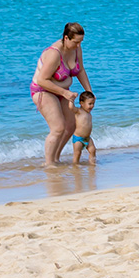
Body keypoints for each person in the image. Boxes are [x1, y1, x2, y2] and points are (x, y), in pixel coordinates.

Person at [30, 22, 91, 169]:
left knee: (70, 126)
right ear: (66, 38)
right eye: (76, 42)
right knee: (58, 128)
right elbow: (42, 80)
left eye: (81, 42)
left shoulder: (76, 48)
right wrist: (65, 92)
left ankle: (55, 158)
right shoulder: (53, 54)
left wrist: (89, 92)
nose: (78, 45)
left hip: (62, 90)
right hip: (42, 90)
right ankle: (49, 164)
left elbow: (80, 70)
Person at [69, 91, 97, 166]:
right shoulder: (79, 111)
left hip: (87, 138)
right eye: (90, 104)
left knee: (93, 150)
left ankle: (92, 164)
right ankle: (75, 166)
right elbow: (71, 107)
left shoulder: (88, 113)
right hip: (78, 138)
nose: (92, 106)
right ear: (81, 103)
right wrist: (71, 100)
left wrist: (93, 96)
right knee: (77, 153)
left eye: (93, 104)